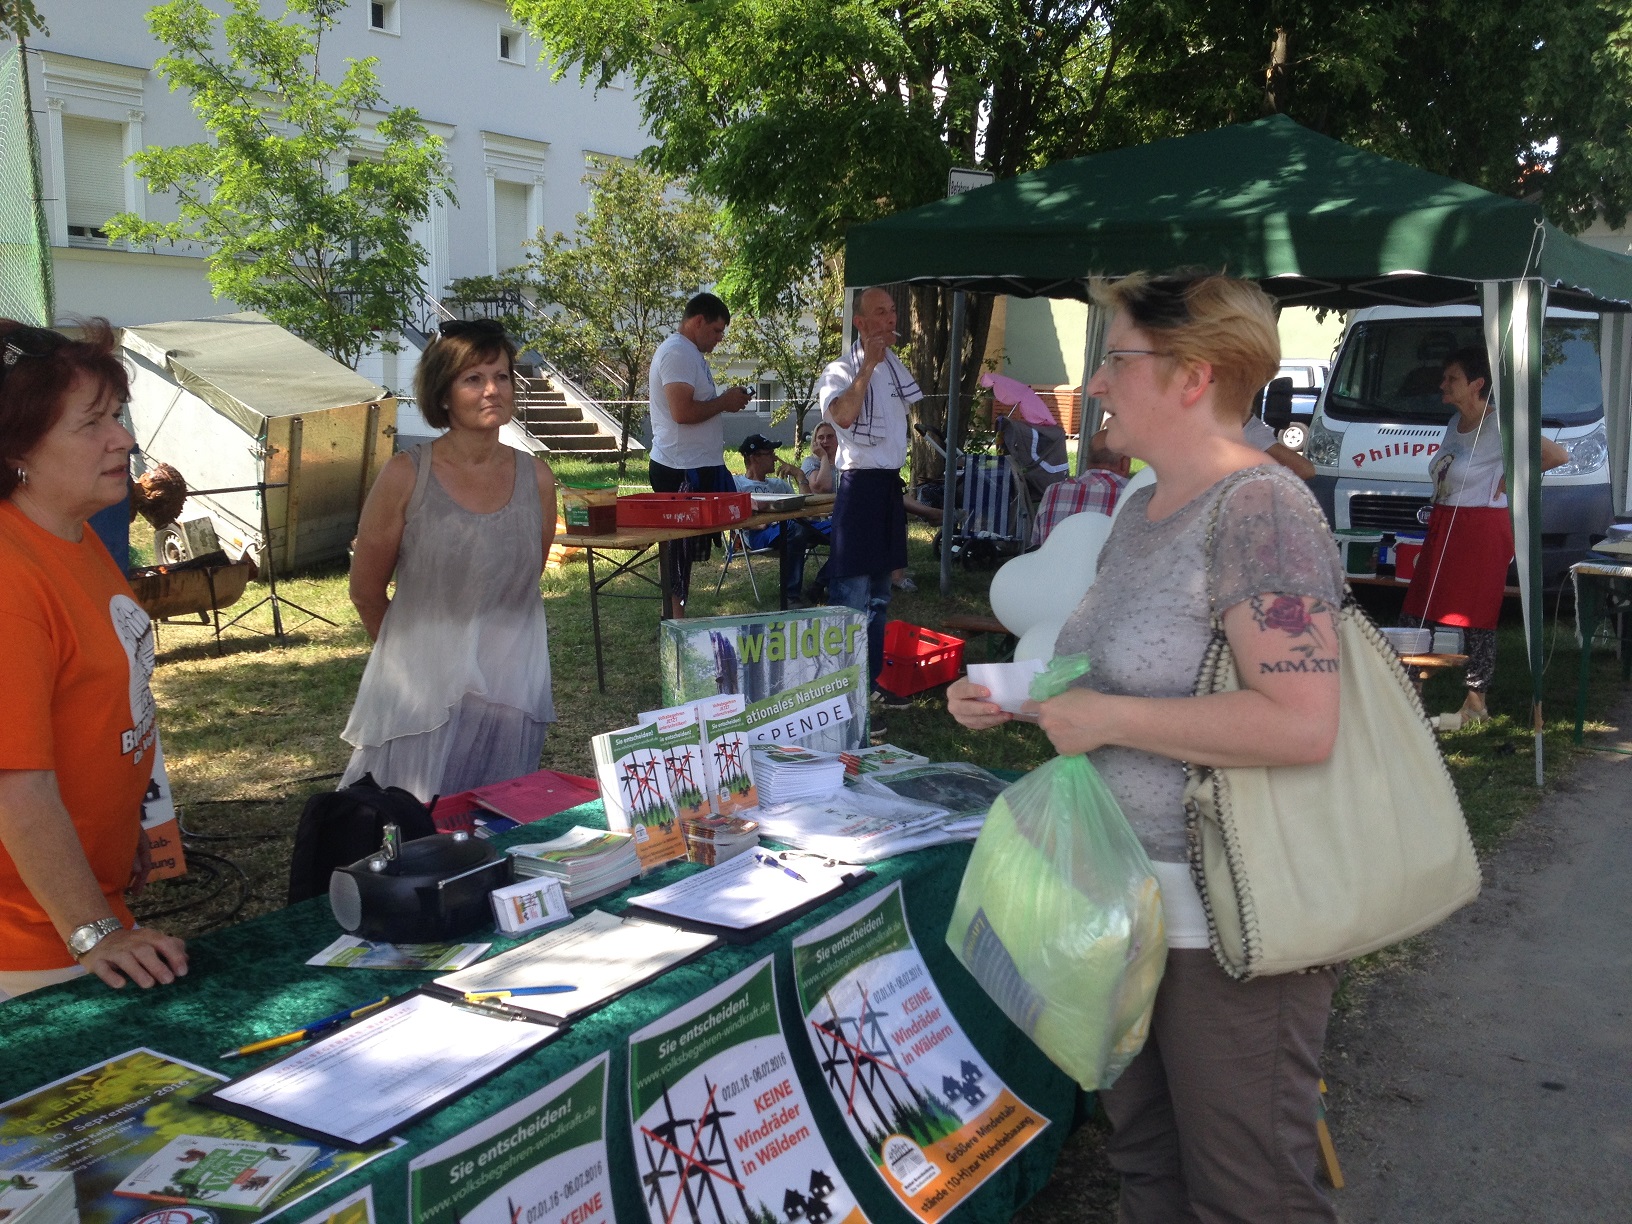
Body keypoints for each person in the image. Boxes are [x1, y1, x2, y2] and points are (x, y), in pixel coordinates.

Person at [948, 273, 1347, 1222]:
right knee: (1147, 1167)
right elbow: (1108, 668)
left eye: (1116, 361)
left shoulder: (1264, 513)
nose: (1093, 388)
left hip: (1231, 924)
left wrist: (1114, 723)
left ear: (1191, 376)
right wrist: (1016, 694)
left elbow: (1302, 720)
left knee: (1248, 1190)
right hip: (1126, 906)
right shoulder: (1141, 510)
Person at [0, 319, 189, 999]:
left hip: (76, 910)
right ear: (17, 444)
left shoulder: (73, 537)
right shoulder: (8, 572)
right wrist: (94, 932)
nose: (125, 439)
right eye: (92, 423)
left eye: (117, 414)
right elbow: (13, 783)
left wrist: (117, 826)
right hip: (25, 948)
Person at [342, 319, 557, 803]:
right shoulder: (404, 476)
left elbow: (524, 577)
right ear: (443, 393)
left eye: (501, 376)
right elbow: (365, 590)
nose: (491, 390)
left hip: (509, 687)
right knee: (408, 827)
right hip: (422, 694)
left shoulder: (537, 479)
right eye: (473, 378)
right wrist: (415, 661)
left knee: (493, 823)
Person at [1402, 345, 1566, 724]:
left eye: (1452, 378)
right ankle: (1410, 689)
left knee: (1477, 613)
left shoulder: (1500, 424)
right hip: (1446, 522)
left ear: (1477, 384)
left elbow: (1557, 456)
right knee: (1418, 606)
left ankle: (1476, 700)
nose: (1443, 384)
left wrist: (1514, 478)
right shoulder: (1453, 424)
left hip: (1481, 528)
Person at [817, 288, 922, 709]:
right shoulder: (840, 370)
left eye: (893, 310)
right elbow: (841, 416)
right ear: (860, 323)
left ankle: (871, 684)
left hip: (887, 488)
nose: (890, 318)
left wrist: (881, 365)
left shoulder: (897, 371)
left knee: (880, 596)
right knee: (851, 598)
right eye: (880, 312)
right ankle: (839, 694)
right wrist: (867, 368)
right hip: (857, 487)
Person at [647, 293, 754, 610]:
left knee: (686, 553)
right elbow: (682, 412)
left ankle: (677, 614)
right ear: (697, 321)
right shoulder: (677, 352)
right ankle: (675, 620)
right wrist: (724, 402)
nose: (720, 339)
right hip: (680, 469)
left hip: (696, 465)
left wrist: (724, 401)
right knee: (678, 551)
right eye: (717, 330)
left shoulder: (689, 354)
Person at [733, 433, 829, 605]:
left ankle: (820, 584)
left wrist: (800, 475)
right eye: (769, 453)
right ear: (754, 457)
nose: (775, 458)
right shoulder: (737, 484)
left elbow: (809, 512)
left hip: (798, 526)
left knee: (847, 528)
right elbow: (733, 515)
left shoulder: (779, 485)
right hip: (762, 534)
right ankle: (790, 596)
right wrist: (755, 524)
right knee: (796, 527)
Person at [1032, 427, 1132, 546]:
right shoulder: (1134, 496)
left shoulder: (1053, 492)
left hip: (1056, 564)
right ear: (1124, 463)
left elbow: (1036, 546)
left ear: (1089, 460)